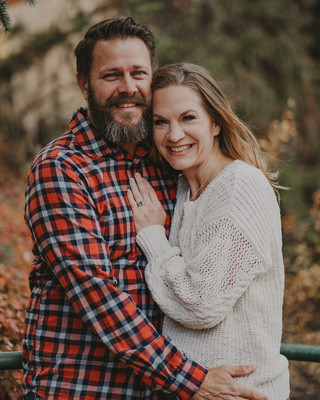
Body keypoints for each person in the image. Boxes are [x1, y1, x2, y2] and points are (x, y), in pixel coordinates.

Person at [23, 17, 268, 400]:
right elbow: (96, 294)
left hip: (160, 390)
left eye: (138, 73)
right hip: (81, 387)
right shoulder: (62, 168)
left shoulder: (167, 164)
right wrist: (192, 379)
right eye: (111, 75)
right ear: (84, 83)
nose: (128, 88)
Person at [128, 63, 290, 400]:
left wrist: (154, 239)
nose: (174, 135)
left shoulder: (237, 187)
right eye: (161, 122)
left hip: (243, 392)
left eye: (188, 118)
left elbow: (202, 304)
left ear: (215, 122)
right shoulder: (186, 190)